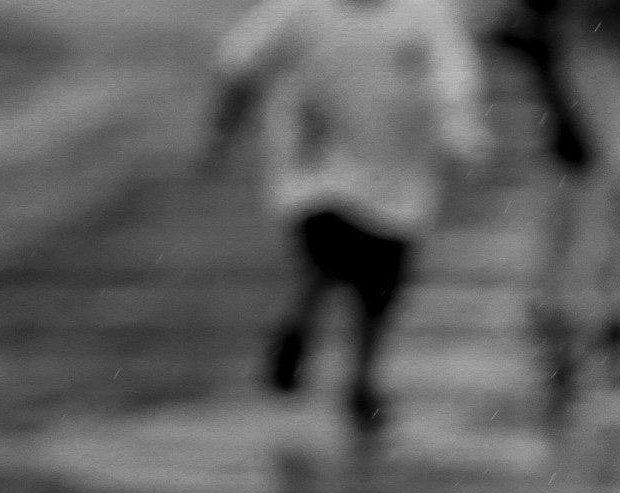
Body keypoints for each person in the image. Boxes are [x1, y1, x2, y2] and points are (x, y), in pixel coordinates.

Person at [205, 0, 488, 433]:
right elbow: (240, 62)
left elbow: (454, 84)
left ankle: (361, 376)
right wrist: (221, 132)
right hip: (317, 166)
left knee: (380, 282)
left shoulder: (427, 13)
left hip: (398, 172)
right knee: (329, 251)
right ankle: (305, 329)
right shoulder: (297, 9)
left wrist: (463, 139)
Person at [491, 0, 620, 403]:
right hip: (597, 64)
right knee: (596, 205)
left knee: (587, 203)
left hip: (607, 69)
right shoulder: (598, 44)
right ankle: (574, 322)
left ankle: (582, 317)